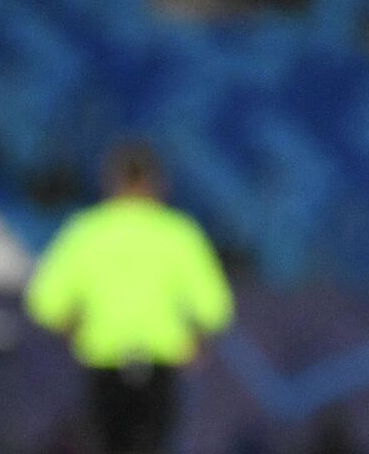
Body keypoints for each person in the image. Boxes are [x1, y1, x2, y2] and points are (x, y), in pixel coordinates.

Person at [26, 143, 235, 454]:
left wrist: (73, 329)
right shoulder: (178, 233)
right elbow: (216, 309)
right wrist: (196, 340)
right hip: (159, 371)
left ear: (111, 182)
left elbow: (44, 302)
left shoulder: (87, 231)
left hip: (103, 368)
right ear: (156, 183)